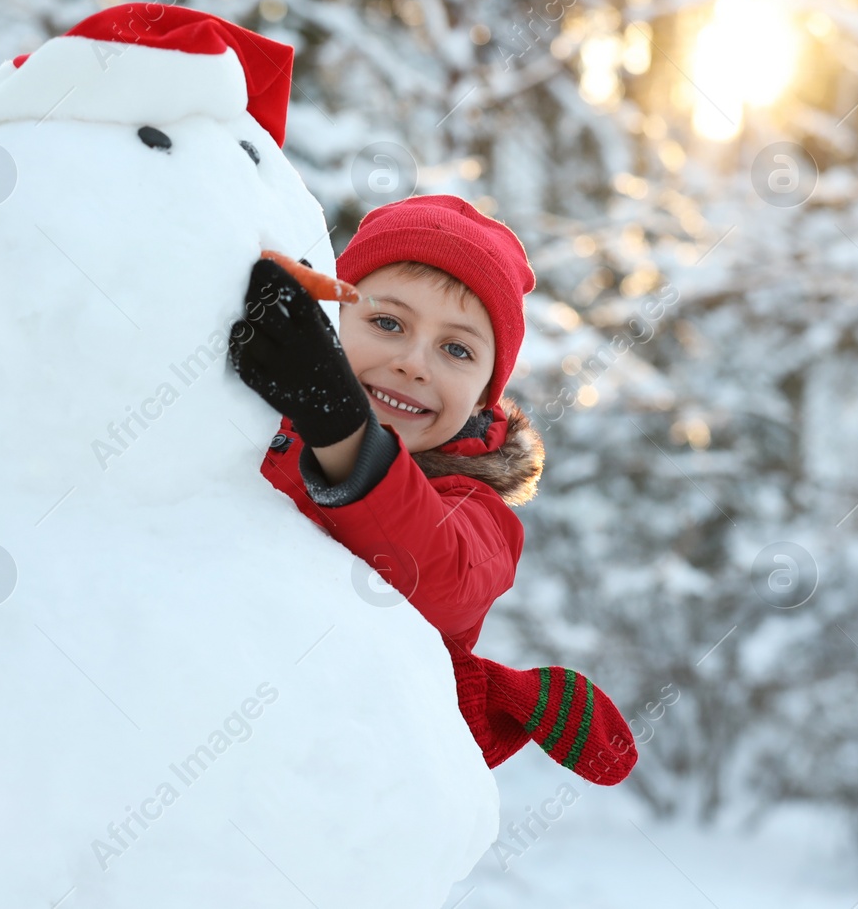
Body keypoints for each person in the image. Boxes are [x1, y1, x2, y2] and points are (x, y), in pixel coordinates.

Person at [229, 193, 636, 785]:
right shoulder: (244, 421)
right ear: (334, 321)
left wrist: (341, 429)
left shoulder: (480, 512)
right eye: (387, 323)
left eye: (457, 349)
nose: (415, 364)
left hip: (336, 779)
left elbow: (440, 578)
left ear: (482, 396)